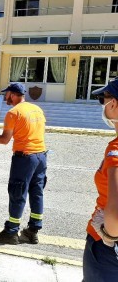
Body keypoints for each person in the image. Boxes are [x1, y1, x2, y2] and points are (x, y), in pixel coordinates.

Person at [0, 82, 47, 245]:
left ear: (13, 94)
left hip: (24, 158)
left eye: (7, 94)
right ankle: (33, 230)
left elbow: (4, 140)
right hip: (41, 156)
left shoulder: (13, 112)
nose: (5, 97)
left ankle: (11, 232)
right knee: (37, 192)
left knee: (17, 192)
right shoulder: (37, 109)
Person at [82, 79, 118, 281]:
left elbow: (114, 215)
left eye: (102, 100)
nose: (103, 105)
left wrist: (108, 235)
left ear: (113, 104)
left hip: (107, 252)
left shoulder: (115, 150)